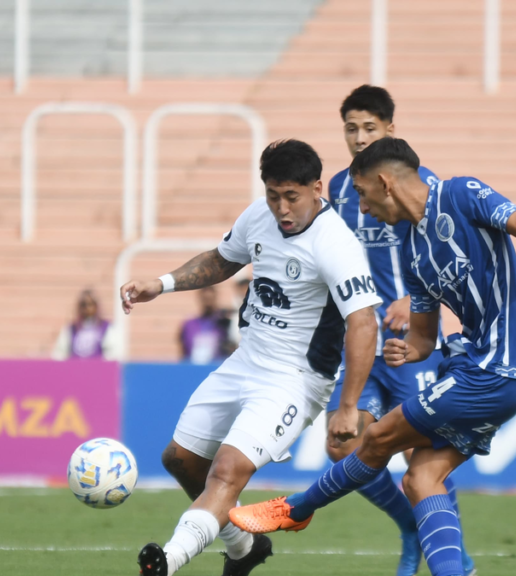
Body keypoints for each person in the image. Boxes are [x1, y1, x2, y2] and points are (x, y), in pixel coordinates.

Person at [230, 137, 516, 576]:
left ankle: (297, 508)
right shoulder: (412, 252)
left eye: (362, 194)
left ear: (384, 183)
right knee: (421, 479)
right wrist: (408, 349)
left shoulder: (459, 193)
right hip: (477, 367)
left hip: (497, 368)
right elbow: (423, 339)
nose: (361, 208)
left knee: (379, 438)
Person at [120, 139, 382, 576]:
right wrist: (161, 284)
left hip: (295, 380)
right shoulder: (258, 215)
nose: (281, 207)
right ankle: (245, 547)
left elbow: (364, 323)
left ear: (318, 188)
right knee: (179, 460)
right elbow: (223, 260)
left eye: (291, 197)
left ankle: (168, 559)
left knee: (226, 470)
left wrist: (349, 406)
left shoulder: (336, 243)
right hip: (246, 360)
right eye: (273, 194)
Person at [325, 85, 473, 576]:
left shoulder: (421, 181)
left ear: (390, 129)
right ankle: (410, 527)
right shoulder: (339, 189)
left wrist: (414, 298)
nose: (360, 137)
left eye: (370, 128)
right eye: (352, 128)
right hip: (361, 334)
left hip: (412, 337)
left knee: (420, 457)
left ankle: (452, 556)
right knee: (342, 444)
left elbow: (445, 249)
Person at [50, 289, 117, 360]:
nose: (87, 308)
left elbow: (111, 355)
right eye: (83, 305)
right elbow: (59, 354)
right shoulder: (71, 329)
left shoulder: (106, 328)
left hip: (97, 369)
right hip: (74, 369)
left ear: (96, 306)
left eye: (90, 304)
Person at [179, 286, 231, 364]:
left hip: (216, 368)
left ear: (215, 299)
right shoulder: (189, 325)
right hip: (194, 369)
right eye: (205, 299)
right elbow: (183, 351)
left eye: (210, 299)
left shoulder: (223, 324)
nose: (208, 303)